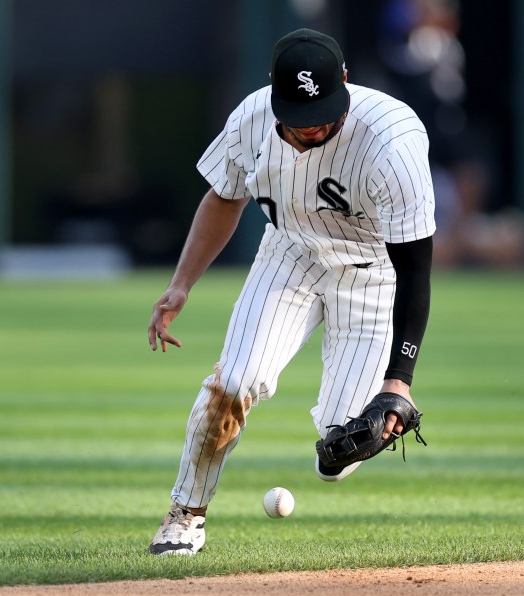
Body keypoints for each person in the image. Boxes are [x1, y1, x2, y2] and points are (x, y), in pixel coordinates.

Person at [147, 28, 436, 556]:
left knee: (344, 444)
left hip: (373, 275)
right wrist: (181, 284)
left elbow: (416, 268)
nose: (315, 126)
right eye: (300, 118)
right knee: (235, 381)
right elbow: (224, 196)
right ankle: (185, 516)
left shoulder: (393, 141)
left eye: (326, 109)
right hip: (290, 255)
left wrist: (401, 380)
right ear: (274, 97)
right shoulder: (251, 119)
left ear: (345, 82)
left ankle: (337, 449)